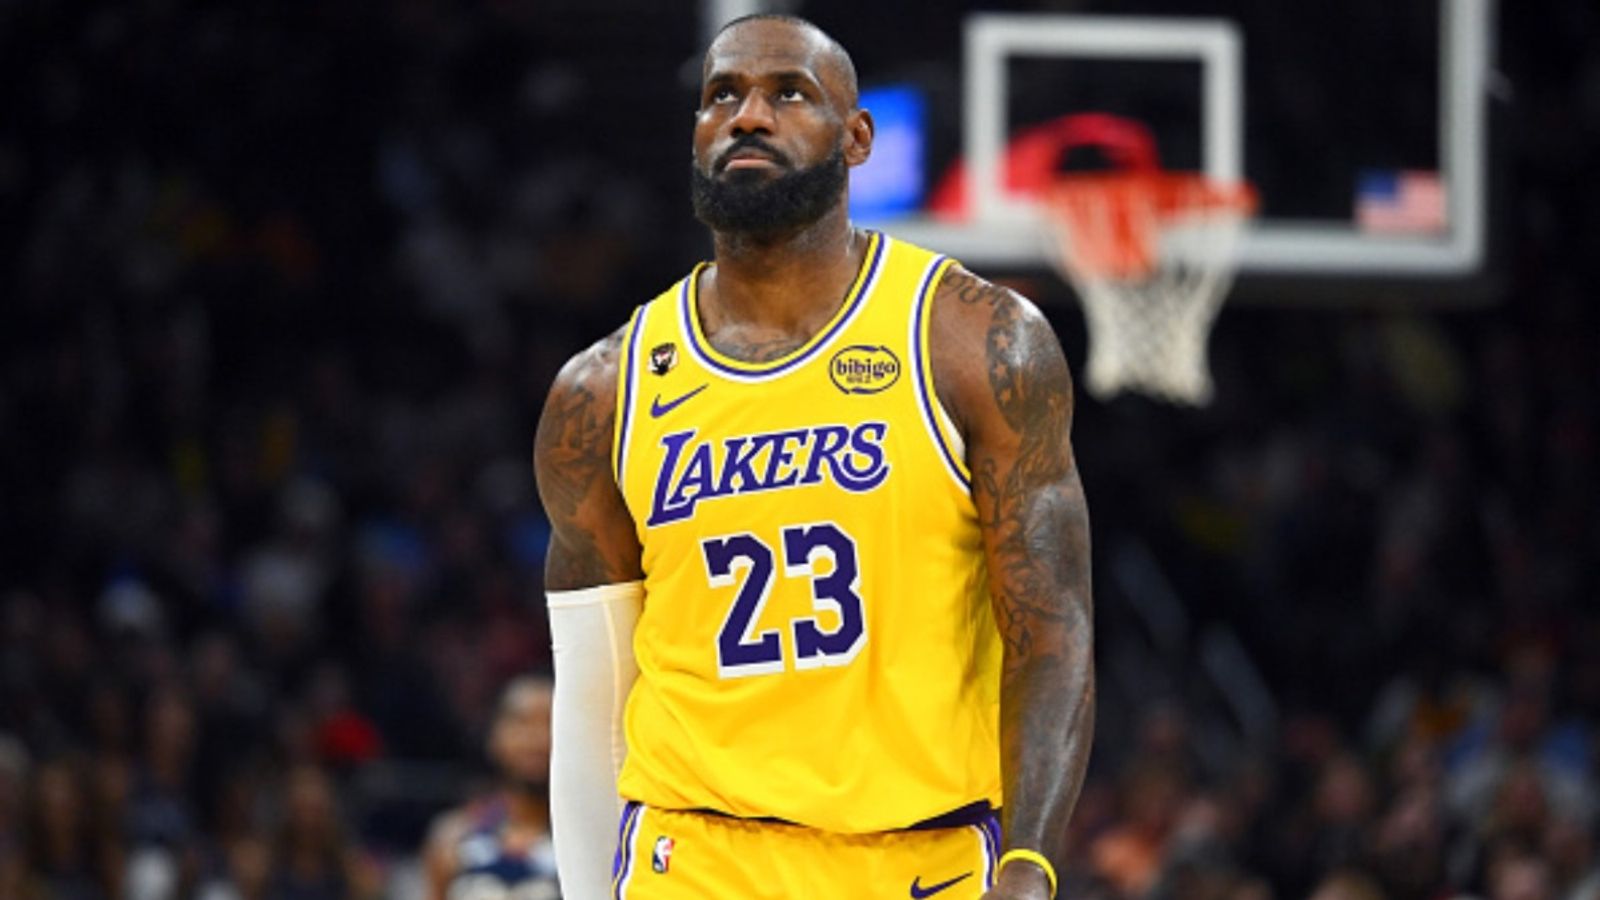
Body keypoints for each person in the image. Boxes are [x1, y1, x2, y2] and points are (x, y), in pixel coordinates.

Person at [533, 14, 1094, 900]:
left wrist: (1028, 866)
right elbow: (594, 692)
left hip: (924, 856)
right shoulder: (602, 393)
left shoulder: (973, 342)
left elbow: (1052, 637)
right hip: (695, 857)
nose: (747, 117)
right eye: (723, 96)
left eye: (788, 93)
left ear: (857, 136)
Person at [424, 677, 560, 900]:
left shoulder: (588, 842)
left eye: (551, 723)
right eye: (522, 723)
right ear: (495, 736)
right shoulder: (452, 839)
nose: (537, 738)